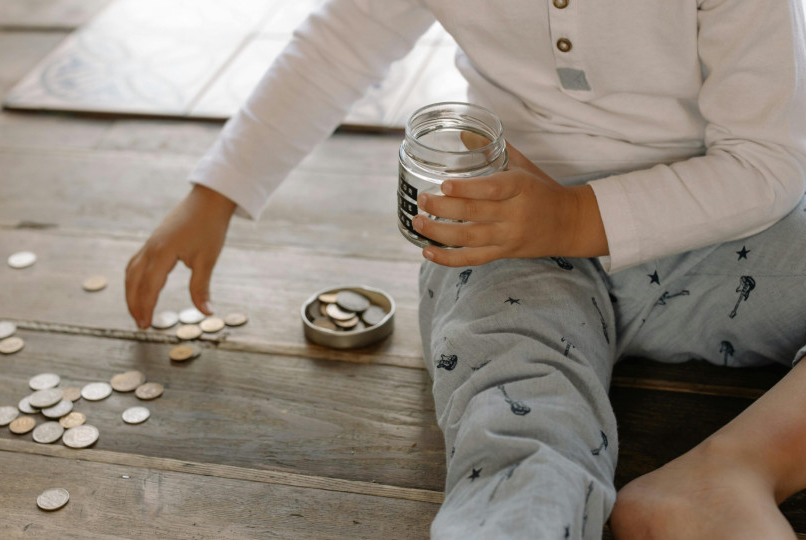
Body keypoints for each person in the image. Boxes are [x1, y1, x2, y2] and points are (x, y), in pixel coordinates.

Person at [125, 0, 806, 538]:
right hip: (501, 242)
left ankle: (734, 469)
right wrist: (216, 193)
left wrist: (574, 217)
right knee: (519, 428)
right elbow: (340, 42)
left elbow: (766, 165)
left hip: (714, 235)